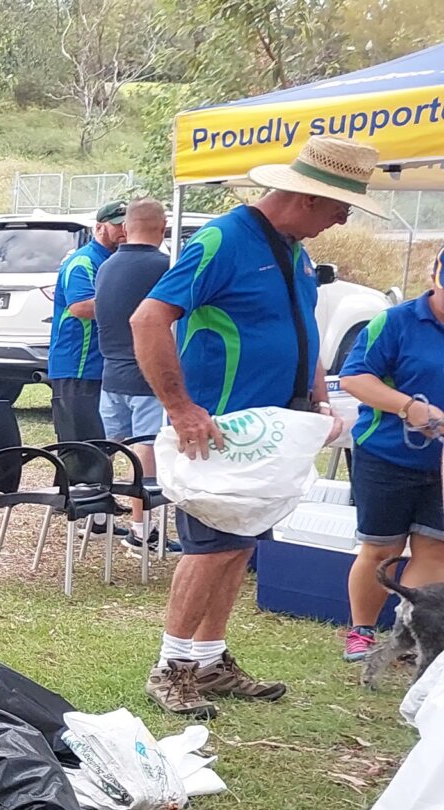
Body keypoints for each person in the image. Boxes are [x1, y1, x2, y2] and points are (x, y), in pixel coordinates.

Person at [131, 134, 381, 718]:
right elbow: (147, 320)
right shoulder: (224, 239)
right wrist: (181, 408)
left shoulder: (293, 250)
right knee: (211, 549)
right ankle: (171, 667)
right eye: (341, 206)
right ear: (307, 197)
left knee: (239, 544)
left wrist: (318, 400)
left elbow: (302, 329)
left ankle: (209, 660)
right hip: (220, 429)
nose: (344, 219)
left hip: (272, 432)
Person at [339, 252, 444, 661]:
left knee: (435, 549)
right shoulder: (396, 322)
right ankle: (361, 630)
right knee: (382, 549)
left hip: (440, 464)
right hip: (386, 454)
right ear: (434, 277)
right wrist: (408, 407)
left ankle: (408, 634)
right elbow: (354, 376)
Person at [94, 198, 173, 548]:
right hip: (146, 375)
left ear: (126, 228)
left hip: (111, 372)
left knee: (111, 445)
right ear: (163, 229)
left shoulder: (106, 267)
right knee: (145, 447)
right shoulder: (166, 267)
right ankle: (141, 528)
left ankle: (97, 514)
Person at [47, 201, 126, 445]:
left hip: (105, 365)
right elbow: (81, 306)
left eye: (128, 224)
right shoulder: (84, 261)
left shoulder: (118, 260)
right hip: (77, 365)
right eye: (118, 225)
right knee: (79, 447)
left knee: (104, 444)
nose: (124, 230)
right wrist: (132, 304)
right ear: (99, 227)